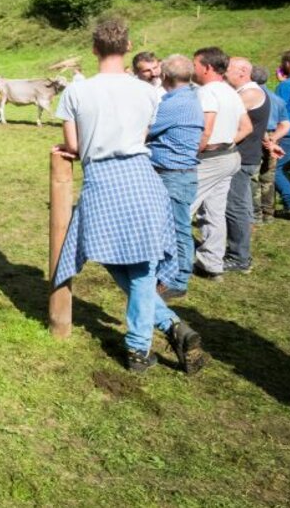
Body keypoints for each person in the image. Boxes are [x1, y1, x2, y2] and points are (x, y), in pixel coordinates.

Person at [53, 19, 203, 375]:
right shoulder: (149, 92)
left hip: (103, 179)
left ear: (94, 49)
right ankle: (171, 326)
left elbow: (73, 145)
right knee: (138, 265)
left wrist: (73, 147)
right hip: (141, 177)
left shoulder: (76, 92)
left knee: (117, 258)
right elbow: (144, 133)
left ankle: (139, 348)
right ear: (128, 46)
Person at [190, 47, 251, 279]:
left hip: (209, 159)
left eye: (195, 64)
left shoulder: (206, 92)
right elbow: (247, 127)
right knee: (214, 212)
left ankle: (170, 265)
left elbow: (205, 130)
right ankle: (211, 264)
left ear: (206, 67)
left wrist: (198, 150)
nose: (192, 68)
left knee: (181, 207)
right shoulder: (231, 92)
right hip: (230, 157)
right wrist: (226, 143)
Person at [146, 55, 203, 300]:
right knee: (172, 225)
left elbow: (146, 130)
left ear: (165, 77)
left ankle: (178, 280)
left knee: (179, 228)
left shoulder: (175, 103)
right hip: (177, 174)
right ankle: (167, 272)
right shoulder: (188, 98)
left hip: (174, 175)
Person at [223, 57, 269, 273]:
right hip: (247, 155)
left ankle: (239, 257)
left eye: (227, 69)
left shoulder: (249, 94)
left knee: (235, 207)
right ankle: (239, 252)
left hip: (242, 157)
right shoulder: (249, 91)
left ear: (242, 72)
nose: (223, 72)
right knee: (241, 204)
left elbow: (226, 116)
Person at [255, 65, 290, 224]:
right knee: (268, 177)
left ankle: (255, 215)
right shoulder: (277, 99)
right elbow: (285, 123)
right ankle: (268, 214)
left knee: (253, 177)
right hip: (273, 136)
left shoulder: (251, 97)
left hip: (255, 136)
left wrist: (265, 140)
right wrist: (273, 139)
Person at [275, 50, 290, 217]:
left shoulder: (287, 86)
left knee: (275, 168)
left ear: (288, 64)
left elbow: (277, 109)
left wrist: (283, 83)